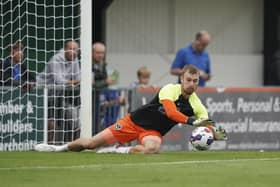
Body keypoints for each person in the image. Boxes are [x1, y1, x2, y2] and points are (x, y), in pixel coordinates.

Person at [35, 65, 227, 154]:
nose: (191, 84)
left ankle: (119, 151)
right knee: (91, 144)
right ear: (181, 79)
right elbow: (170, 113)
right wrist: (193, 121)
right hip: (133, 122)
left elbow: (207, 121)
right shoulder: (170, 89)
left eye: (195, 81)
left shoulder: (196, 103)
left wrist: (213, 133)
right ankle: (57, 148)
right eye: (188, 80)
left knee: (152, 148)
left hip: (152, 132)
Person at [36, 40, 81, 143]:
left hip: (59, 95)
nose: (73, 52)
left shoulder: (75, 60)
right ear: (65, 49)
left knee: (73, 116)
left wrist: (76, 81)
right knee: (51, 121)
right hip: (43, 94)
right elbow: (59, 81)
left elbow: (78, 78)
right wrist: (75, 81)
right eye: (70, 48)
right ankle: (48, 144)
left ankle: (74, 144)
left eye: (75, 49)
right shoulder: (55, 60)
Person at [92, 42, 125, 132]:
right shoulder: (87, 65)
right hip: (90, 100)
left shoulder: (103, 65)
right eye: (98, 52)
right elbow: (91, 84)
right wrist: (105, 82)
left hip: (100, 100)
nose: (100, 55)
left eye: (102, 53)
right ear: (92, 52)